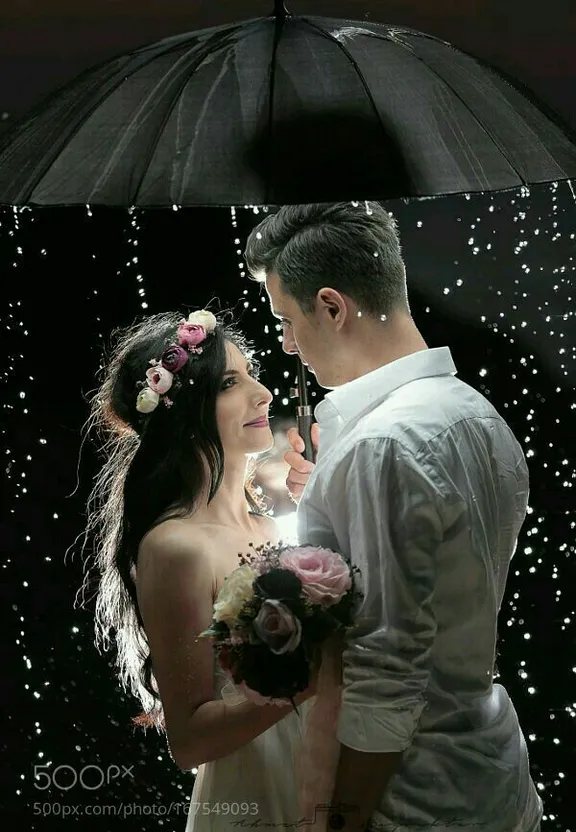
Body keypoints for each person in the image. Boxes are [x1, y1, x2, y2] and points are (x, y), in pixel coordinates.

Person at [244, 201, 543, 832]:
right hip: (495, 769)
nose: (288, 344)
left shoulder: (383, 446)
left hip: (413, 798)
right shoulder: (479, 414)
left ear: (332, 307)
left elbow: (387, 672)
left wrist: (343, 821)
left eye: (287, 322)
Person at [85, 310, 316, 831]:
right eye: (231, 383)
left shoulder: (281, 528)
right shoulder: (176, 547)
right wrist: (312, 677)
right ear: (184, 409)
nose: (264, 393)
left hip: (323, 775)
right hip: (257, 797)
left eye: (252, 373)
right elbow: (189, 740)